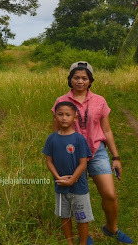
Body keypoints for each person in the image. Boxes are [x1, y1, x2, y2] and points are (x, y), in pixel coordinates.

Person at [53, 62, 133, 244]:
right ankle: (82, 234)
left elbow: (107, 130)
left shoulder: (100, 101)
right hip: (71, 155)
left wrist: (116, 157)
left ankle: (111, 228)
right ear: (70, 79)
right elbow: (56, 132)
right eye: (76, 77)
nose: (80, 81)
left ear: (90, 80)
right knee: (74, 196)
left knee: (110, 194)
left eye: (84, 78)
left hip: (97, 152)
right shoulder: (61, 101)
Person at [44, 101, 94, 245]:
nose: (64, 118)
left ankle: (83, 242)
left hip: (79, 187)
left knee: (81, 217)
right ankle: (69, 242)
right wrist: (58, 177)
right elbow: (49, 161)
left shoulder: (79, 139)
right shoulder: (51, 139)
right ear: (55, 117)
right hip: (60, 186)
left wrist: (72, 179)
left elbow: (83, 163)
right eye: (60, 114)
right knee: (64, 216)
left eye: (68, 115)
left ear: (75, 118)